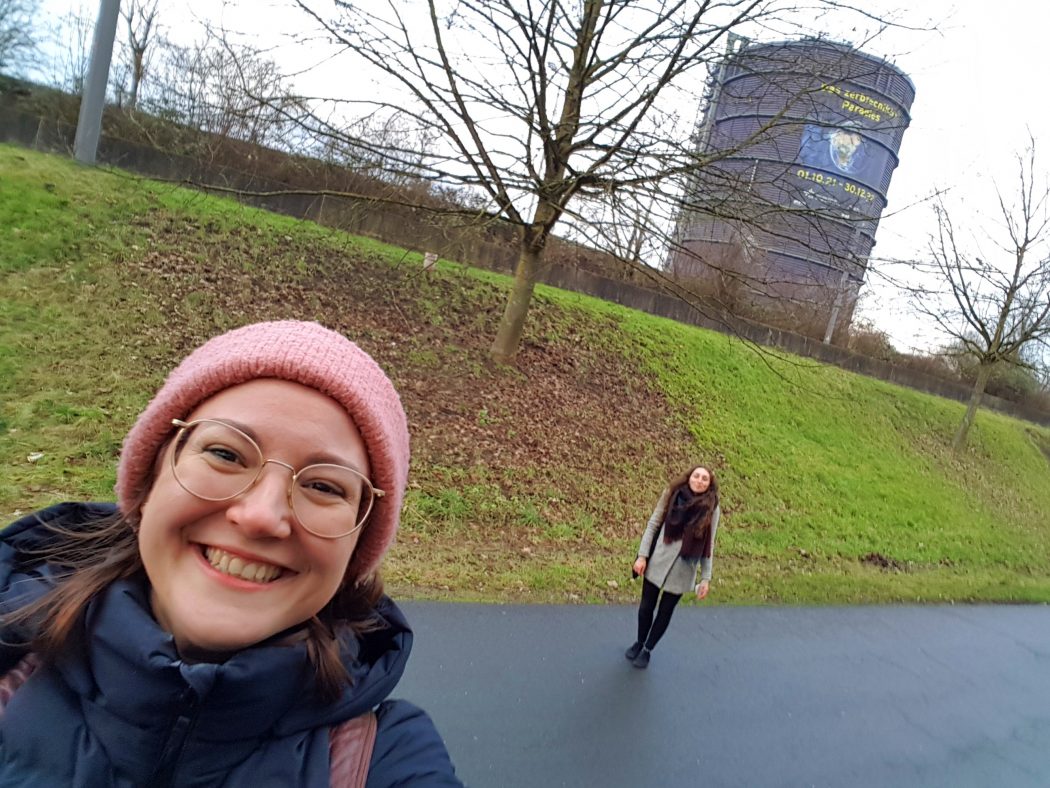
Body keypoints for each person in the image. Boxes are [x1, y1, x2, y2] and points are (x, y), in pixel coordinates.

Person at [0, 320, 462, 786]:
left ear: (355, 547)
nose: (262, 516)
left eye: (324, 486)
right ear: (151, 476)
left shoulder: (386, 758)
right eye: (225, 454)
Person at [626, 465, 721, 669]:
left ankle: (647, 649)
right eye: (696, 476)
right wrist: (642, 556)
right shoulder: (671, 494)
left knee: (665, 612)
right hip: (658, 559)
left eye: (705, 478)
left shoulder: (712, 507)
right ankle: (639, 641)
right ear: (689, 478)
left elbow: (709, 544)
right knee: (645, 608)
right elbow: (653, 524)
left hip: (684, 568)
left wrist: (706, 577)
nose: (700, 481)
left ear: (710, 484)